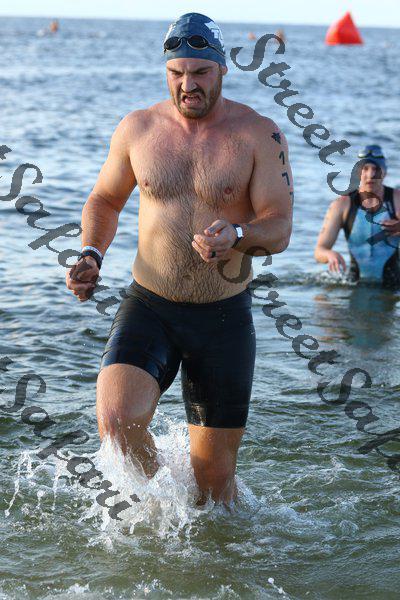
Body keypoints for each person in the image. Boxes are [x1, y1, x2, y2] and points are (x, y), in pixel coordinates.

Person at [65, 13, 293, 504]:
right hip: (150, 304)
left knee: (214, 485)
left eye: (200, 72)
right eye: (177, 73)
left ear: (222, 69)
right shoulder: (138, 128)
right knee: (116, 424)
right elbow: (105, 200)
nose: (188, 85)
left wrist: (238, 235)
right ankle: (165, 512)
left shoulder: (259, 134)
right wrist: (91, 253)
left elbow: (279, 227)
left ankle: (211, 529)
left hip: (223, 318)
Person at [315, 144, 400, 288]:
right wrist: (330, 255)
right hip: (356, 285)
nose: (371, 175)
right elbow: (320, 250)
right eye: (365, 168)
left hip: (393, 286)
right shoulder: (342, 204)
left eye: (376, 169)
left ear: (385, 172)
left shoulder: (396, 200)